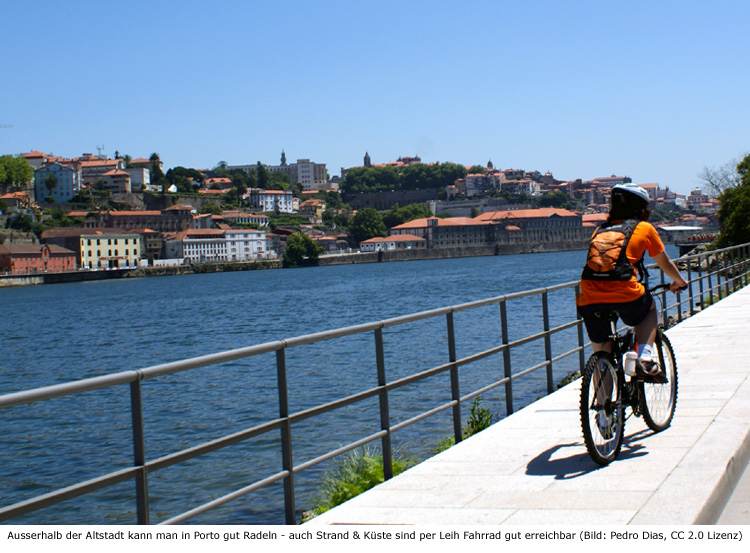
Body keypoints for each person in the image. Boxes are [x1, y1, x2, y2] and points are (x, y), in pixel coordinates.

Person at [577, 183, 687, 377]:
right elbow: (664, 262)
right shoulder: (644, 228)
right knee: (649, 308)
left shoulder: (600, 230)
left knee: (602, 352)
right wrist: (679, 281)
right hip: (625, 292)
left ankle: (602, 405)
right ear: (642, 207)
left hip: (589, 297)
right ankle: (644, 356)